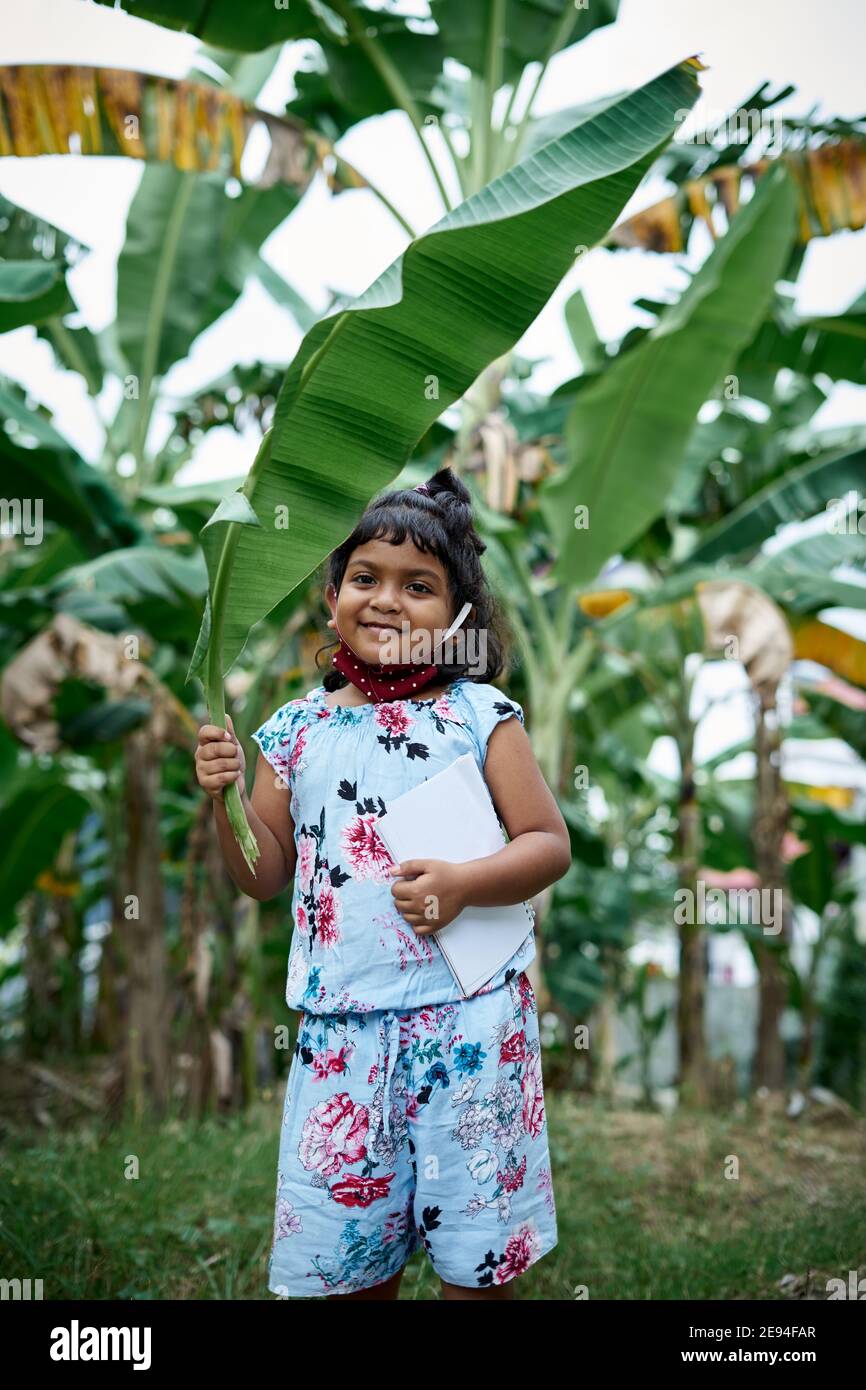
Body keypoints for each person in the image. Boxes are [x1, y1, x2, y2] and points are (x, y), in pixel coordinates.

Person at [196, 467, 571, 1301]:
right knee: (343, 1264)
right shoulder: (294, 730)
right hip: (340, 1034)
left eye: (420, 587)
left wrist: (467, 885)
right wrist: (223, 797)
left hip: (470, 1028)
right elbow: (262, 875)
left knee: (477, 1262)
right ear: (331, 596)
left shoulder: (479, 716)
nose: (387, 600)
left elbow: (548, 843)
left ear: (456, 616)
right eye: (365, 578)